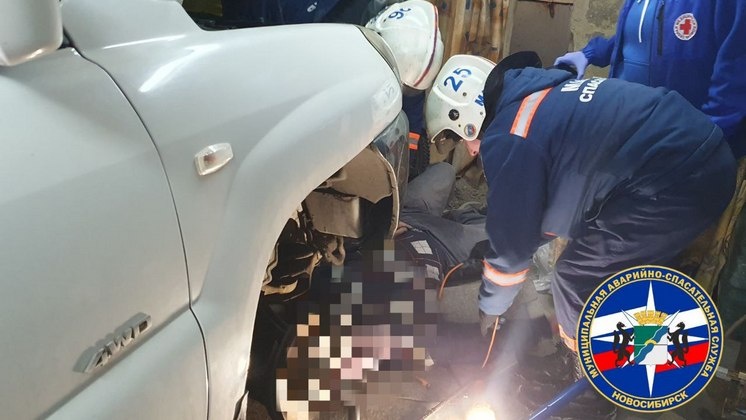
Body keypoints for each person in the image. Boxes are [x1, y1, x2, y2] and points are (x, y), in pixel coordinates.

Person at [425, 50, 736, 418]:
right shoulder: (537, 97)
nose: (468, 148)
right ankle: (605, 352)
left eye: (460, 137)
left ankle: (589, 391)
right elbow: (551, 208)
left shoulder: (510, 134)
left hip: (680, 180)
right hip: (700, 154)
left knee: (576, 278)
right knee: (593, 254)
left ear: (469, 119)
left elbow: (511, 254)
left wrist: (490, 306)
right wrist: (512, 243)